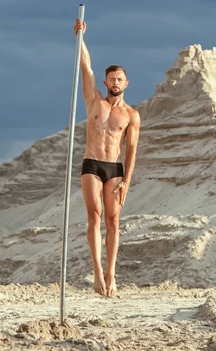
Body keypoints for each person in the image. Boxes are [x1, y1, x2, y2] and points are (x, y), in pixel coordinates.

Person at [73, 18, 141, 297]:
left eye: (120, 79)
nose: (115, 82)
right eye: (111, 79)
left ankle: (112, 273)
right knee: (95, 216)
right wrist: (81, 36)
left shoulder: (132, 116)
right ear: (106, 82)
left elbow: (132, 150)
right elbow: (85, 67)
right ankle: (97, 272)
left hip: (115, 168)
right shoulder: (94, 101)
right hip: (92, 164)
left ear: (127, 83)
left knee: (113, 221)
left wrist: (127, 180)